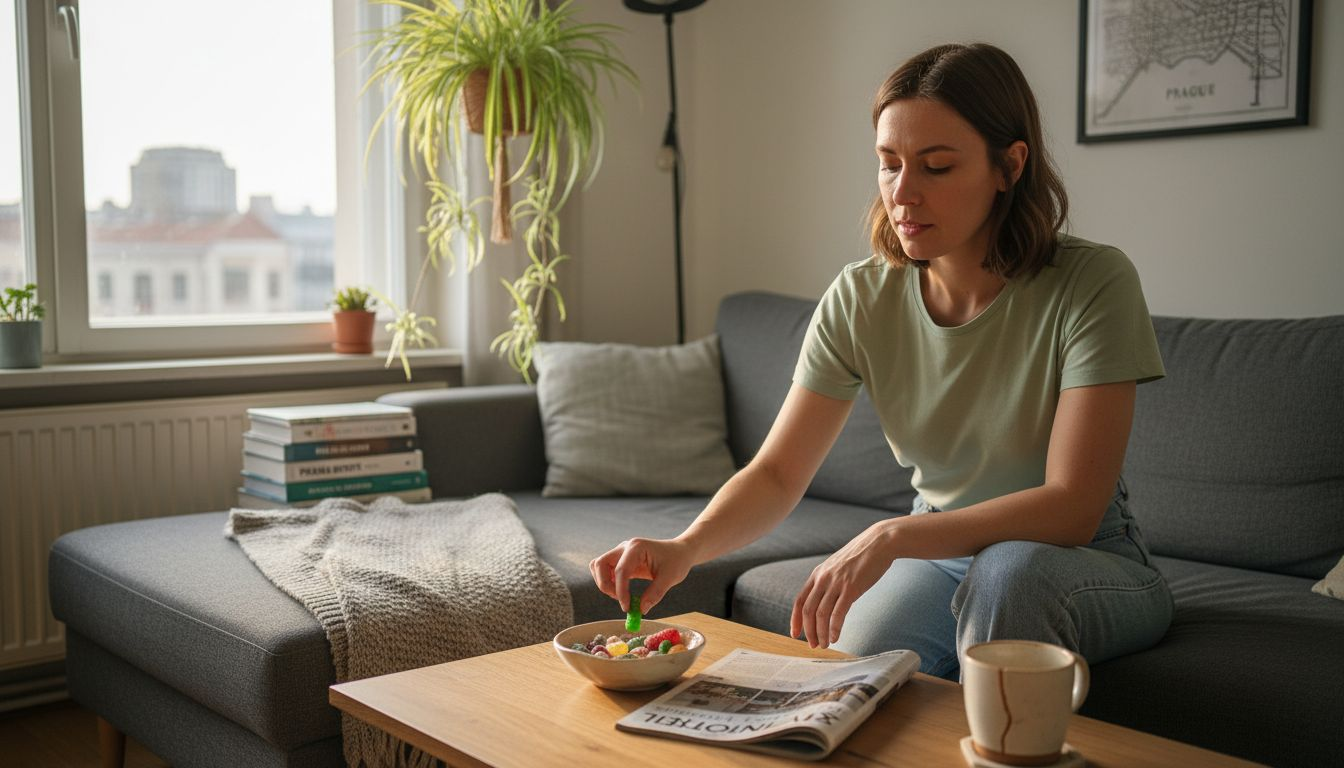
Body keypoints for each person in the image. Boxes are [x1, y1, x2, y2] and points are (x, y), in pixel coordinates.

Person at [590, 42, 1173, 680]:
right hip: (940, 553)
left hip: (1085, 560)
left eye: (937, 167)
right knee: (851, 683)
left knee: (1011, 576)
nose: (904, 194)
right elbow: (780, 473)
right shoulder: (861, 295)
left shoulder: (1093, 282)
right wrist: (685, 547)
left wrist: (891, 537)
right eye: (888, 164)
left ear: (1009, 166)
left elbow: (1072, 505)